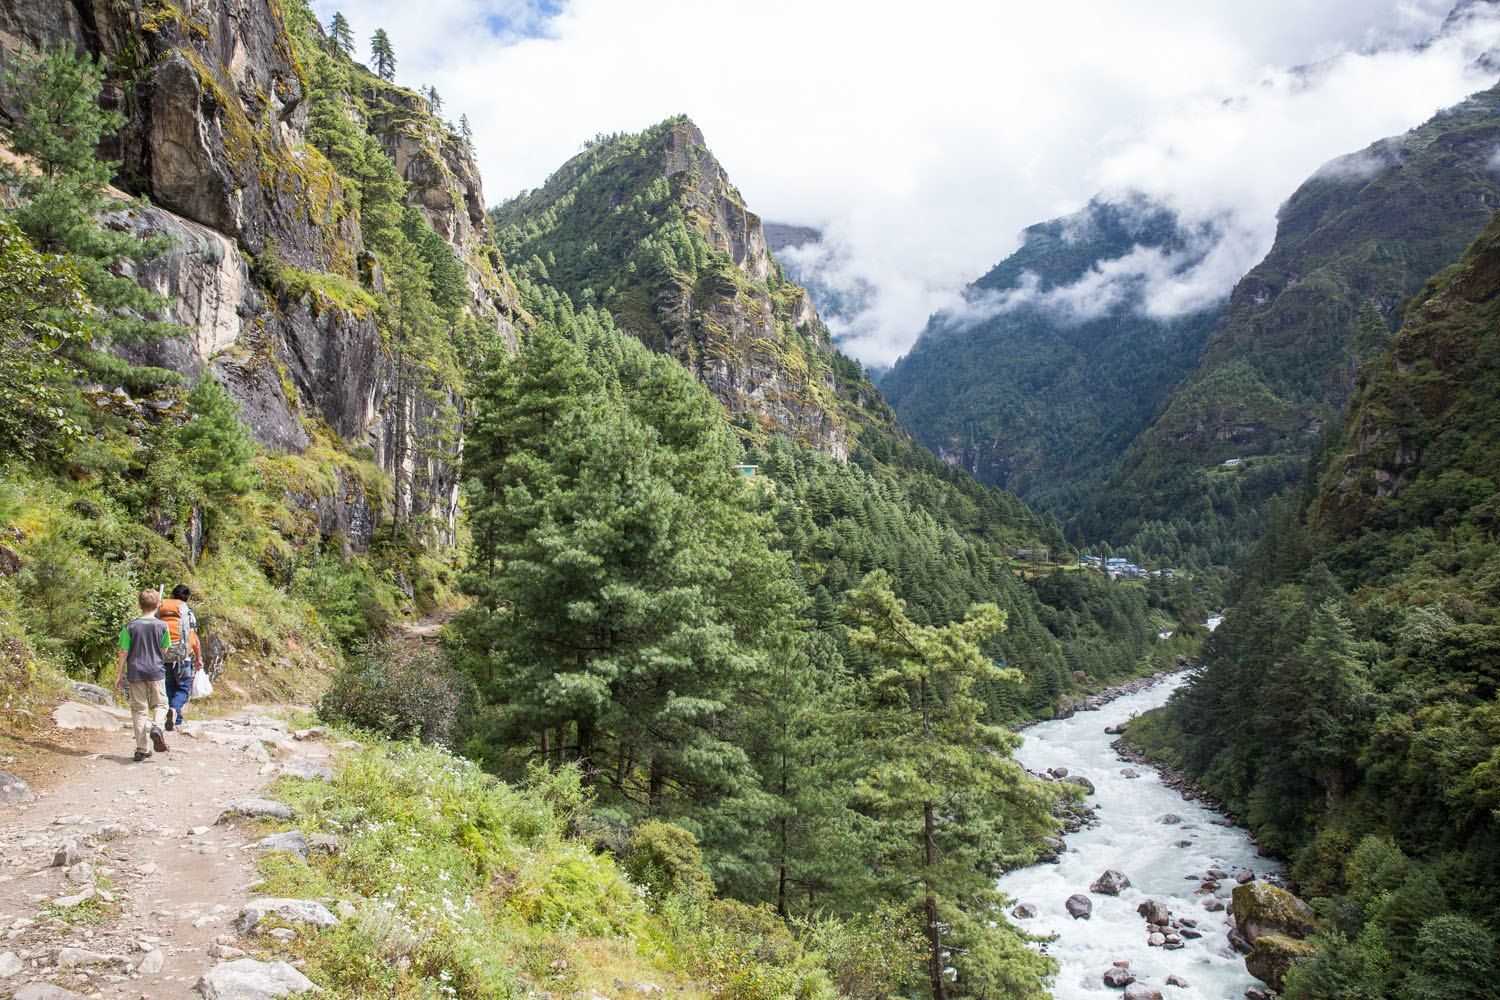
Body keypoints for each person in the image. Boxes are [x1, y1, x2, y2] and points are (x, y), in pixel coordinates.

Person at [115, 589, 171, 763]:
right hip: (156, 671)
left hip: (135, 672)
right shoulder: (163, 626)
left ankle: (141, 749)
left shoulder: (129, 626)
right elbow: (165, 649)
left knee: (139, 709)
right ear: (158, 605)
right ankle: (157, 726)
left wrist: (119, 674)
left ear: (140, 605)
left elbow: (124, 652)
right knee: (161, 704)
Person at [157, 584, 200, 730]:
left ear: (171, 595)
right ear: (187, 598)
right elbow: (194, 639)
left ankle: (177, 719)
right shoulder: (188, 614)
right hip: (183, 658)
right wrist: (199, 658)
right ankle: (175, 710)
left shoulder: (161, 610)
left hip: (164, 656)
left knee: (169, 687)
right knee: (183, 689)